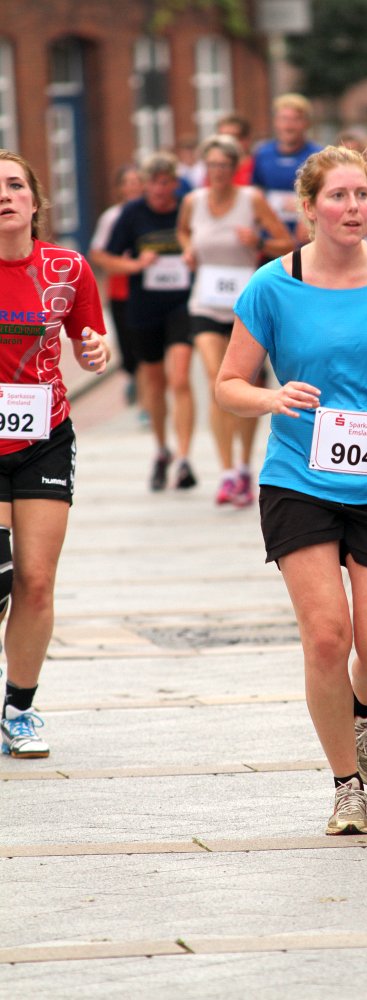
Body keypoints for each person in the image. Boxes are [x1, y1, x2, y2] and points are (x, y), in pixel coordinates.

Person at [216, 145, 367, 835]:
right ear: (308, 207)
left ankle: (360, 705)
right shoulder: (271, 286)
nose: (353, 207)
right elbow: (228, 384)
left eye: (362, 194)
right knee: (325, 638)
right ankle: (347, 789)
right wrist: (271, 397)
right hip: (298, 478)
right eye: (338, 196)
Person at [0, 150, 109, 759]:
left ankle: (19, 709)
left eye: (15, 184)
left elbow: (90, 341)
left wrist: (96, 351)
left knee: (36, 583)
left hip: (44, 436)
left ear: (35, 201)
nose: (5, 195)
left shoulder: (66, 268)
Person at [177, 135, 291, 506]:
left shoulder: (251, 199)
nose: (218, 172)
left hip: (245, 308)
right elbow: (183, 230)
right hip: (206, 304)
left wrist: (258, 241)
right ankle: (226, 471)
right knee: (218, 380)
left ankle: (244, 465)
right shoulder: (193, 202)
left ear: (235, 168)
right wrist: (188, 250)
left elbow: (285, 242)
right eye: (212, 165)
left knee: (246, 383)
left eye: (224, 165)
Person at [99, 152, 197, 491]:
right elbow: (103, 256)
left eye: (165, 182)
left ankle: (184, 459)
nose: (159, 189)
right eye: (153, 183)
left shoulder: (187, 207)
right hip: (143, 308)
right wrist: (136, 265)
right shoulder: (132, 213)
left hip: (183, 304)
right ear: (145, 185)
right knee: (155, 383)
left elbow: (203, 243)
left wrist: (194, 257)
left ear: (174, 183)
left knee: (180, 378)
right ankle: (162, 449)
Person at [89, 164, 144, 407]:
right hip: (121, 291)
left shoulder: (151, 212)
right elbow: (97, 254)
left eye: (137, 181)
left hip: (150, 292)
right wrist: (127, 264)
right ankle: (133, 378)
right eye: (128, 182)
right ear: (120, 188)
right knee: (128, 345)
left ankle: (147, 399)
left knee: (148, 347)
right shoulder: (111, 217)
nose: (133, 187)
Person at [251, 93, 322, 244]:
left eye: (296, 119)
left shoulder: (318, 156)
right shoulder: (263, 154)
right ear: (275, 122)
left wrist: (304, 209)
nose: (289, 126)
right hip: (272, 237)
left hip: (307, 236)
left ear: (306, 123)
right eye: (284, 119)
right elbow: (256, 190)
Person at [217, 113, 255, 187]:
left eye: (234, 138)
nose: (228, 143)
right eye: (223, 138)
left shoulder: (257, 166)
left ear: (247, 139)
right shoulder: (214, 168)